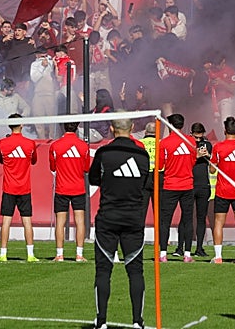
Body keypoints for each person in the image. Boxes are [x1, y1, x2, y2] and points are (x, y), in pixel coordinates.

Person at [88, 118, 151, 329]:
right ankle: (137, 321)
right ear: (132, 128)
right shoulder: (143, 155)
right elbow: (145, 183)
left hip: (108, 217)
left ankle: (102, 320)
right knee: (135, 271)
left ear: (112, 129)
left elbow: (93, 179)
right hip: (134, 219)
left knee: (103, 271)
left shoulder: (104, 154)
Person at [0, 113, 40, 262]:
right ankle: (30, 254)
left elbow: (1, 160)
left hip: (9, 188)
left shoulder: (2, 143)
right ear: (22, 125)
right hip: (24, 188)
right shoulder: (30, 144)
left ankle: (3, 253)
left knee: (6, 221)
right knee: (27, 221)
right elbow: (34, 161)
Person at [209, 116, 235, 264]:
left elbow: (212, 170)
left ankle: (218, 256)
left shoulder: (218, 147)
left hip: (223, 190)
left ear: (225, 130)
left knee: (219, 223)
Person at [48, 120, 90, 262]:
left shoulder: (55, 146)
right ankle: (79, 254)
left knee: (60, 221)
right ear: (77, 128)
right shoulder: (83, 146)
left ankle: (59, 254)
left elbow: (52, 167)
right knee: (80, 221)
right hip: (78, 188)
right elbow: (86, 168)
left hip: (62, 188)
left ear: (63, 127)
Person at [157, 113, 195, 263]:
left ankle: (163, 254)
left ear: (169, 125)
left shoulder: (165, 143)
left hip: (170, 185)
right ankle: (187, 254)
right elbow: (192, 162)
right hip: (187, 184)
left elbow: (160, 166)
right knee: (187, 219)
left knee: (165, 220)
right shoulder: (191, 141)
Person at [190, 122, 213, 257]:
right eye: (195, 138)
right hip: (189, 184)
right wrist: (195, 155)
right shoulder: (187, 144)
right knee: (186, 217)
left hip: (203, 185)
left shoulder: (207, 144)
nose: (198, 141)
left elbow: (212, 164)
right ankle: (181, 248)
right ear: (191, 134)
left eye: (200, 138)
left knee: (201, 217)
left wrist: (208, 155)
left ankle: (199, 247)